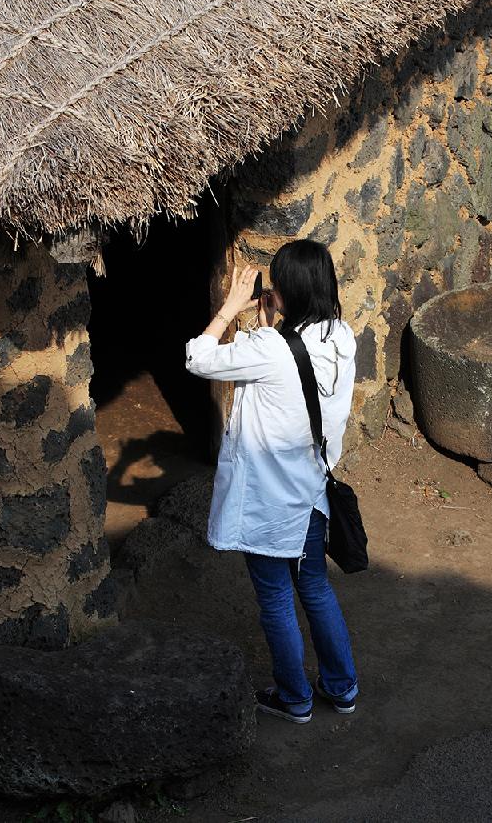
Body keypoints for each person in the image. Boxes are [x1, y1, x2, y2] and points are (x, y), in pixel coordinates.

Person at [184, 239, 359, 724]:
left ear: (285, 294)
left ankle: (294, 698)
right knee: (316, 589)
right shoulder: (342, 337)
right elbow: (290, 370)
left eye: (275, 287)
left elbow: (198, 358)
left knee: (277, 598)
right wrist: (268, 330)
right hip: (312, 497)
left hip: (269, 504)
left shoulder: (270, 350)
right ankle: (342, 688)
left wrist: (228, 310)